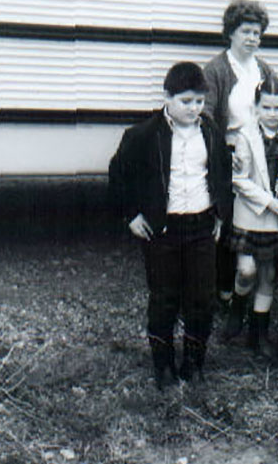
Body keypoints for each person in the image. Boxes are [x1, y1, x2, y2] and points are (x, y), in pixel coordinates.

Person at [109, 62, 232, 389]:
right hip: (163, 230)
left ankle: (194, 363)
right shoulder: (144, 135)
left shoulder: (210, 132)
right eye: (186, 101)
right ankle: (163, 365)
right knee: (164, 297)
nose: (194, 109)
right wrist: (132, 215)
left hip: (201, 226)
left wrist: (220, 213)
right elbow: (118, 175)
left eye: (199, 102)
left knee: (202, 298)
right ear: (168, 97)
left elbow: (222, 173)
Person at [203, 0, 276, 308]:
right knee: (228, 219)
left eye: (257, 33)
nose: (251, 38)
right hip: (229, 153)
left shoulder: (263, 69)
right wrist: (221, 153)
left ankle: (252, 286)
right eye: (245, 31)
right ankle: (224, 288)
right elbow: (205, 115)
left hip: (259, 154)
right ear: (231, 33)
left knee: (255, 216)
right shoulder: (217, 69)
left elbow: (277, 106)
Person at [224, 76, 278, 358]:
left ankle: (258, 331)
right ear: (256, 108)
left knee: (268, 273)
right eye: (267, 108)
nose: (273, 114)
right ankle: (237, 304)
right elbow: (239, 179)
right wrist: (268, 201)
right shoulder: (246, 134)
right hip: (251, 211)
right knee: (247, 270)